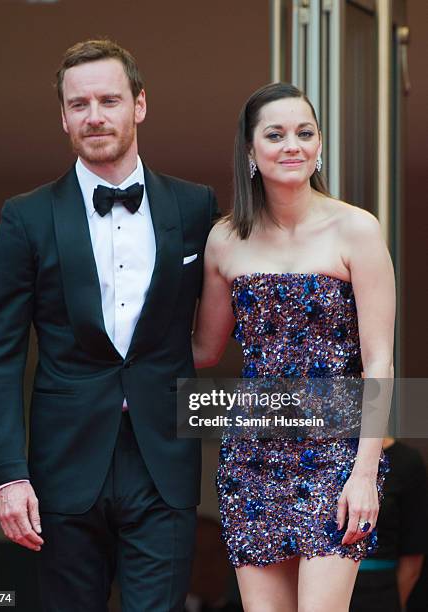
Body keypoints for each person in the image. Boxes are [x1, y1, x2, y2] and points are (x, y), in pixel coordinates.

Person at [0, 38, 218, 612]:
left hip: (163, 458)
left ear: (139, 104)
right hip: (61, 467)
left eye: (108, 100)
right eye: (78, 104)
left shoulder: (195, 207)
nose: (94, 116)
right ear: (62, 117)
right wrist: (8, 474)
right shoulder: (26, 216)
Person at [192, 82, 395, 611]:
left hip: (336, 453)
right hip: (252, 457)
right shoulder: (224, 240)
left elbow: (379, 360)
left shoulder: (357, 230)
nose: (292, 145)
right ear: (250, 151)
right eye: (275, 134)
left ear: (319, 144)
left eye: (304, 133)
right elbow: (204, 351)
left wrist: (365, 473)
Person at [350, 437, 428, 612]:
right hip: (323, 587)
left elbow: (413, 554)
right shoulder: (322, 460)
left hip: (378, 592)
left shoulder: (407, 461)